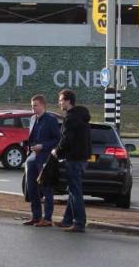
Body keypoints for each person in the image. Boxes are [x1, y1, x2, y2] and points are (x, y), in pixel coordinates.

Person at [52, 89, 92, 233]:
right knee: (72, 190)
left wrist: (57, 151)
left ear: (68, 101)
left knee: (75, 191)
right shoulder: (82, 116)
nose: (59, 102)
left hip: (74, 158)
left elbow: (66, 139)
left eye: (61, 100)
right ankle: (67, 220)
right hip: (82, 158)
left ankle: (79, 222)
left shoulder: (70, 118)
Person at [22, 94, 61, 227]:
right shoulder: (33, 119)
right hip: (32, 156)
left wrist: (43, 146)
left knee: (46, 187)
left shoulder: (50, 120)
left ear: (43, 105)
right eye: (32, 106)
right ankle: (36, 216)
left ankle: (48, 218)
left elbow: (57, 139)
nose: (33, 108)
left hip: (45, 156)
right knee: (31, 188)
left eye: (36, 106)